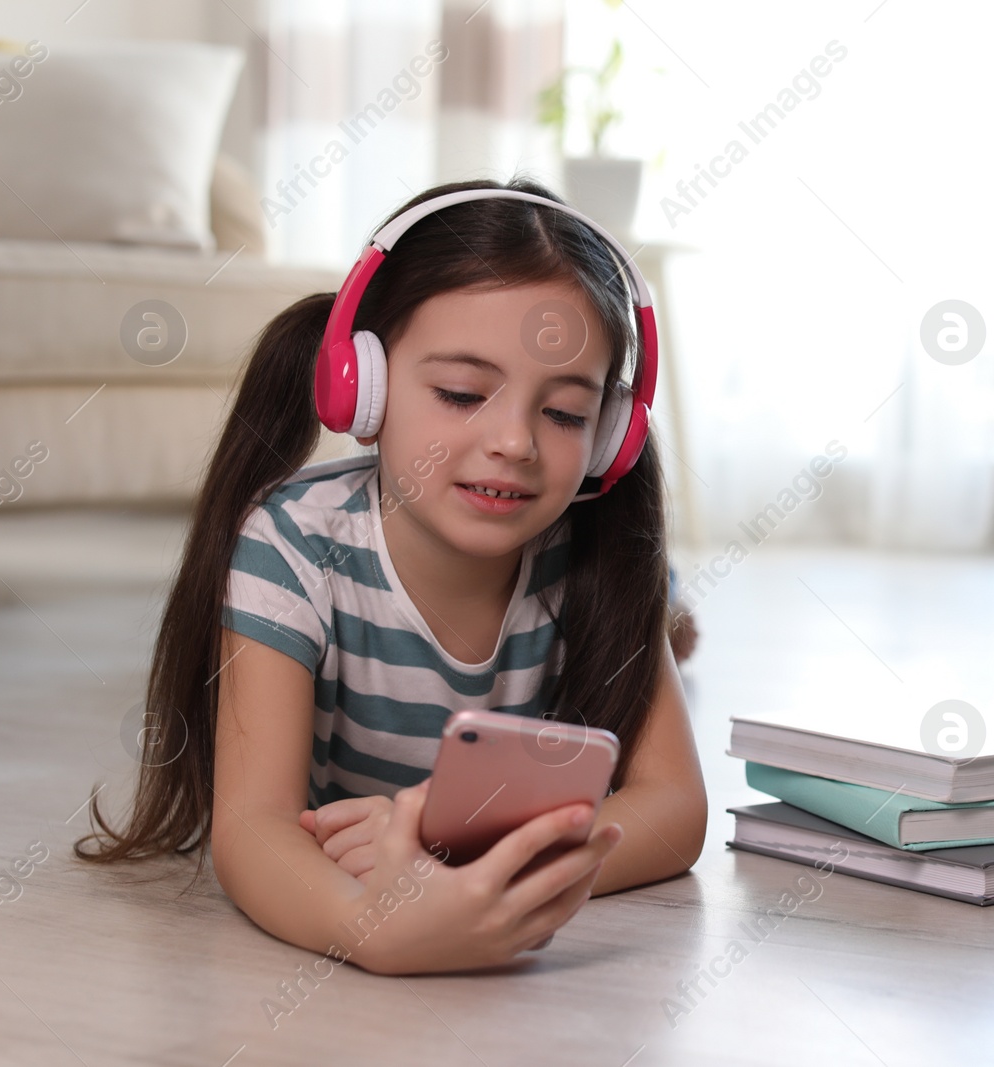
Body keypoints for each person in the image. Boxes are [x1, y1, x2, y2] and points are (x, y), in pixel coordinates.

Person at [75, 176, 708, 975]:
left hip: (491, 767)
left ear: (612, 435)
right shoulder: (291, 544)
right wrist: (374, 925)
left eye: (565, 414)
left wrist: (472, 864)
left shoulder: (597, 553)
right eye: (460, 393)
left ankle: (672, 618)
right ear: (361, 385)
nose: (513, 441)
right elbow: (251, 829)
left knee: (658, 618)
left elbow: (677, 808)